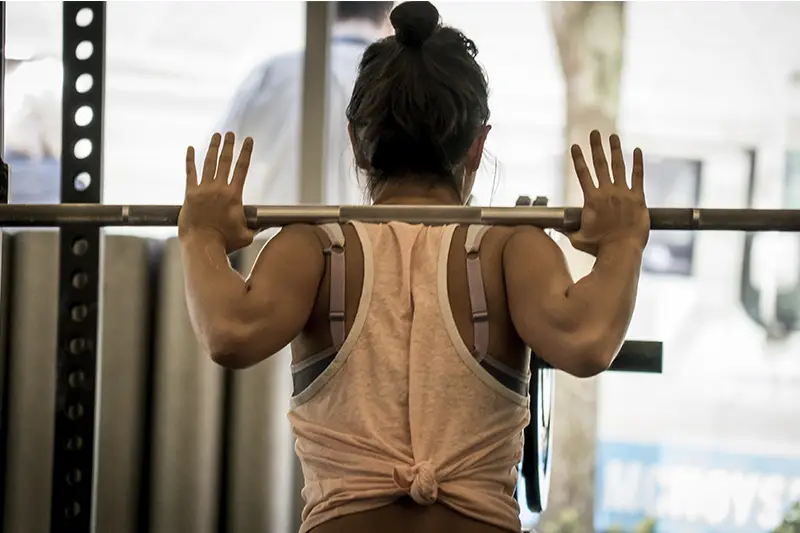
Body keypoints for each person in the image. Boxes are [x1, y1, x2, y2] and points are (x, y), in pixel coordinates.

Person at [178, 2, 650, 533]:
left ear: (357, 143)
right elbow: (587, 339)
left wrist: (201, 235)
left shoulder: (311, 248)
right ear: (476, 146)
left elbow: (229, 331)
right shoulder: (510, 248)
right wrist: (622, 244)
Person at [215, 2, 393, 208]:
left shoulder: (272, 73)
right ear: (389, 20)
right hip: (364, 236)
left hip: (271, 235)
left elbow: (216, 168)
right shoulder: (392, 81)